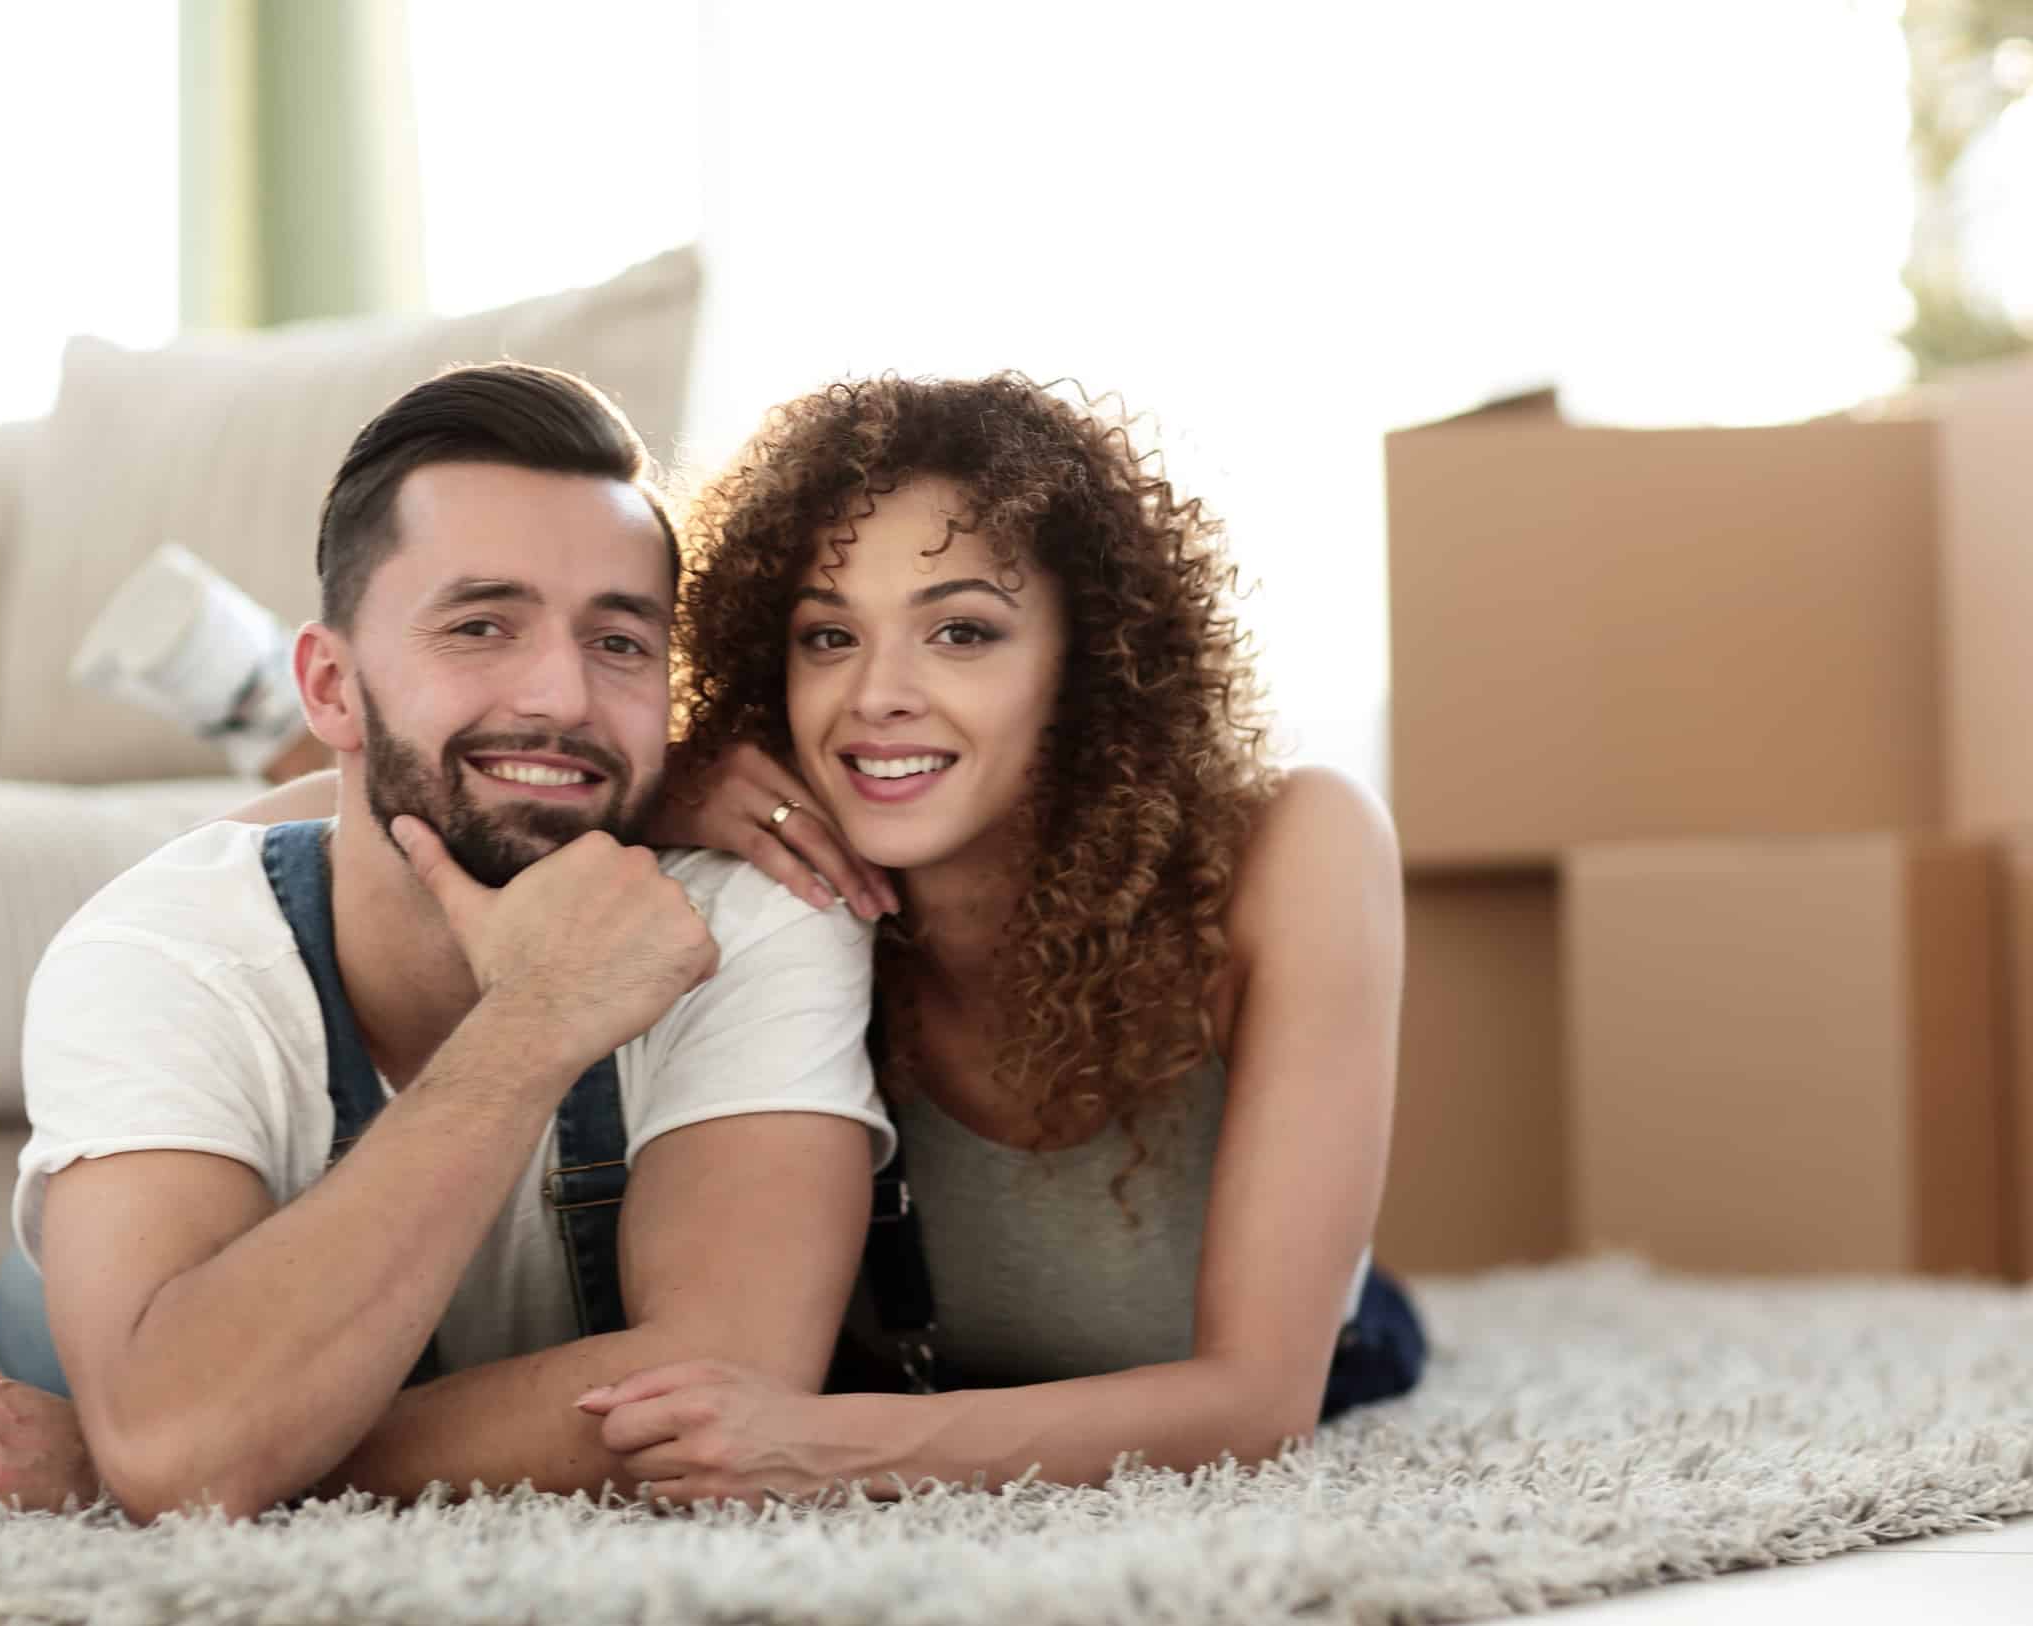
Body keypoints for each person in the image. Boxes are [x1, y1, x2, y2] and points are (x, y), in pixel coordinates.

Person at [235, 372, 1426, 1503]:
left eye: (960, 633)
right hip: (903, 1372)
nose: (878, 696)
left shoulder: (1295, 846)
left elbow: (1260, 1402)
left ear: (1091, 663)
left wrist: (843, 1447)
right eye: (826, 636)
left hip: (1294, 1353)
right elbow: (278, 834)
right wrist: (643, 792)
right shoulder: (760, 869)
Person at [0, 363, 892, 1518]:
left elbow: (731, 1380)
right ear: (331, 683)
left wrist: (170, 1452)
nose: (561, 693)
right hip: (123, 1275)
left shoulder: (759, 910)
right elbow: (170, 1432)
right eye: (480, 625)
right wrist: (535, 1017)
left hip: (253, 1357)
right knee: (52, 1320)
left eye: (618, 643)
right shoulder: (159, 947)